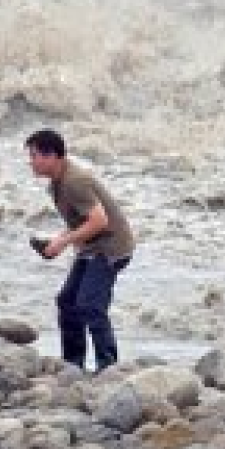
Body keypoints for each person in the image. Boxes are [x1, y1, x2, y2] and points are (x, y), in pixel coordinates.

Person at [25, 128, 135, 372]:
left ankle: (108, 367)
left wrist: (63, 243)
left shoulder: (75, 181)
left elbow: (99, 221)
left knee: (90, 305)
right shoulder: (57, 182)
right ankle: (73, 365)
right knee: (67, 301)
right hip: (92, 247)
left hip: (111, 247)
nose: (30, 162)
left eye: (34, 156)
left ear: (52, 156)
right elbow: (80, 221)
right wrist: (58, 241)